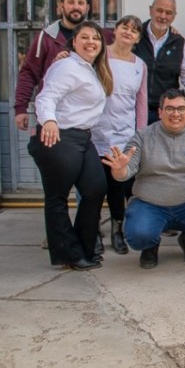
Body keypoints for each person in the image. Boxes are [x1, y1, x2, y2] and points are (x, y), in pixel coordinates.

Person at [102, 89, 185, 269]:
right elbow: (124, 173)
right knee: (138, 237)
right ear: (160, 112)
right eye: (169, 108)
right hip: (149, 203)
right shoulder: (142, 137)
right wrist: (119, 170)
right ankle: (150, 245)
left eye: (181, 109)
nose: (175, 114)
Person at [28, 21, 113, 271]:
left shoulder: (90, 68)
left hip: (83, 138)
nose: (91, 42)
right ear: (73, 42)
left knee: (96, 189)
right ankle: (69, 254)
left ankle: (84, 247)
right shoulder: (66, 66)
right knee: (57, 199)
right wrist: (50, 122)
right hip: (59, 137)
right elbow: (46, 97)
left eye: (96, 38)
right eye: (84, 37)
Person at [15, 0, 113, 131]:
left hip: (88, 122)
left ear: (87, 8)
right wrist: (21, 108)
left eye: (80, 3)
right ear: (61, 6)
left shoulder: (102, 37)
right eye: (71, 2)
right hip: (53, 118)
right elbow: (29, 73)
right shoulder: (46, 37)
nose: (76, 7)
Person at [91, 15, 148, 255]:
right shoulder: (99, 56)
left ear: (138, 38)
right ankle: (91, 230)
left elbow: (141, 102)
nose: (128, 32)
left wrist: (140, 134)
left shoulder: (139, 65)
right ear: (115, 30)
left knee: (117, 185)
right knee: (93, 185)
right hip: (95, 130)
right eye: (125, 26)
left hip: (124, 133)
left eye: (134, 30)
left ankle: (117, 229)